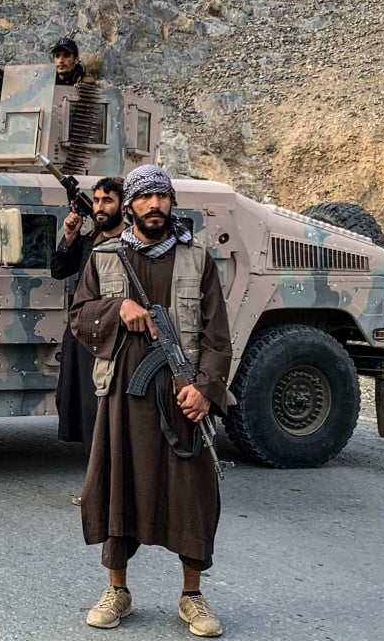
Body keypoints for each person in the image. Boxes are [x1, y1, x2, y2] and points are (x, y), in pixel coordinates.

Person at [69, 165, 234, 637]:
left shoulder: (197, 259)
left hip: (182, 396)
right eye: (145, 198)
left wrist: (204, 389)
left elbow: (218, 335)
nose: (154, 205)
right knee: (118, 485)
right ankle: (117, 589)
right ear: (130, 205)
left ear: (170, 203)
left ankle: (192, 596)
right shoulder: (104, 258)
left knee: (192, 494)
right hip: (125, 394)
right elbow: (79, 317)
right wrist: (116, 309)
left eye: (162, 197)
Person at [50, 179, 123, 505]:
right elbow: (59, 269)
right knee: (84, 411)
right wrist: (69, 234)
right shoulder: (91, 240)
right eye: (96, 200)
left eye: (107, 200)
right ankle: (100, 483)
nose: (99, 207)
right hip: (82, 334)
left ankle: (105, 488)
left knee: (106, 412)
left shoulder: (129, 244)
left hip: (112, 337)